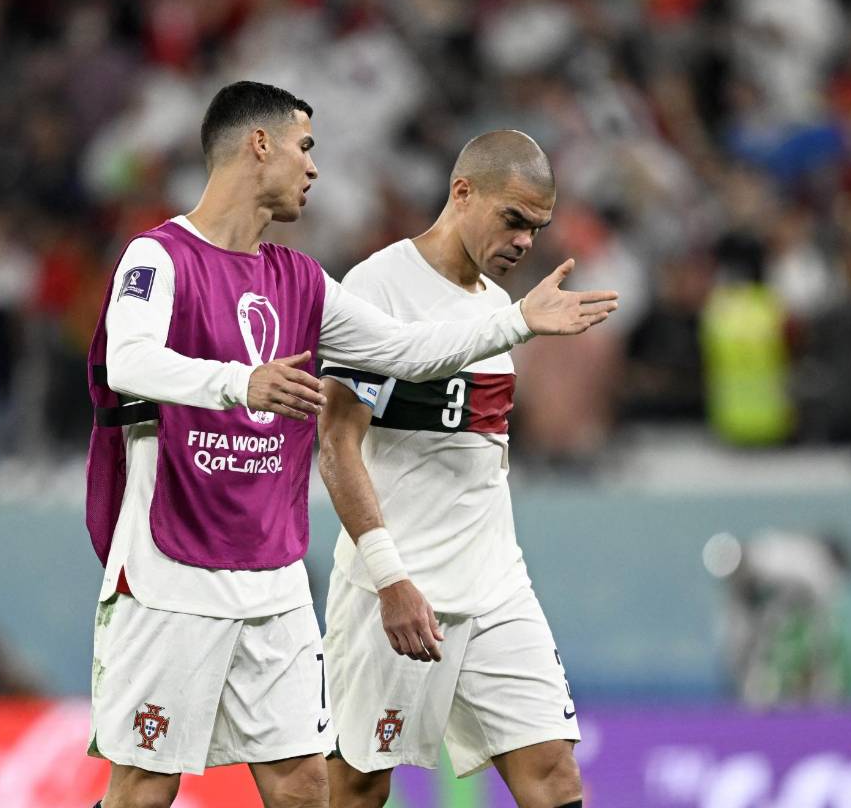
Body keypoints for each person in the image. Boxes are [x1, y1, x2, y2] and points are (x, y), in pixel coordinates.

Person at [84, 84, 618, 808]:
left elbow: (406, 348)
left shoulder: (302, 279)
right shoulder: (159, 258)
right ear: (260, 145)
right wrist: (242, 384)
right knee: (147, 786)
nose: (313, 168)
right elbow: (130, 361)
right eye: (305, 148)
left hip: (274, 579)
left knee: (306, 786)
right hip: (173, 571)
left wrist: (517, 322)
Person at [317, 131, 586, 808]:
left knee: (553, 773)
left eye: (537, 228)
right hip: (397, 586)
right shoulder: (379, 288)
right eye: (514, 219)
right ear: (462, 193)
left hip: (495, 585)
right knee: (357, 787)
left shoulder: (500, 309)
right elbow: (337, 443)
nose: (526, 241)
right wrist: (390, 578)